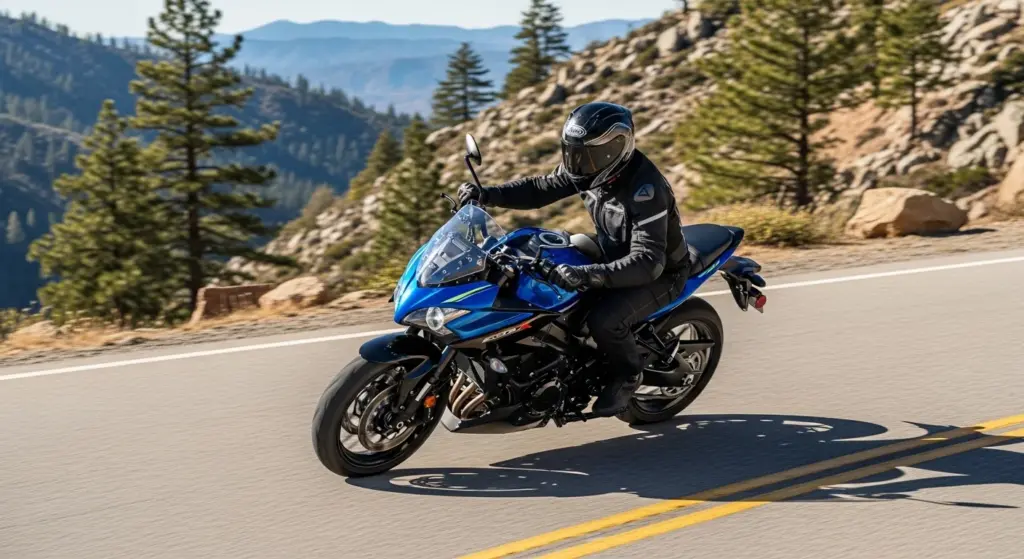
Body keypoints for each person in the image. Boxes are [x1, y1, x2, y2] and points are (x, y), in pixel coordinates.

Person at [458, 101, 691, 417]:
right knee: (540, 282)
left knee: (605, 320)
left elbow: (649, 261)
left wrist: (590, 275)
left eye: (587, 155)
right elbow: (541, 189)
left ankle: (628, 374)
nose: (577, 163)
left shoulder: (644, 190)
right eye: (573, 153)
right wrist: (487, 195)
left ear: (616, 150)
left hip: (660, 272)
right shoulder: (589, 171)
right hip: (612, 254)